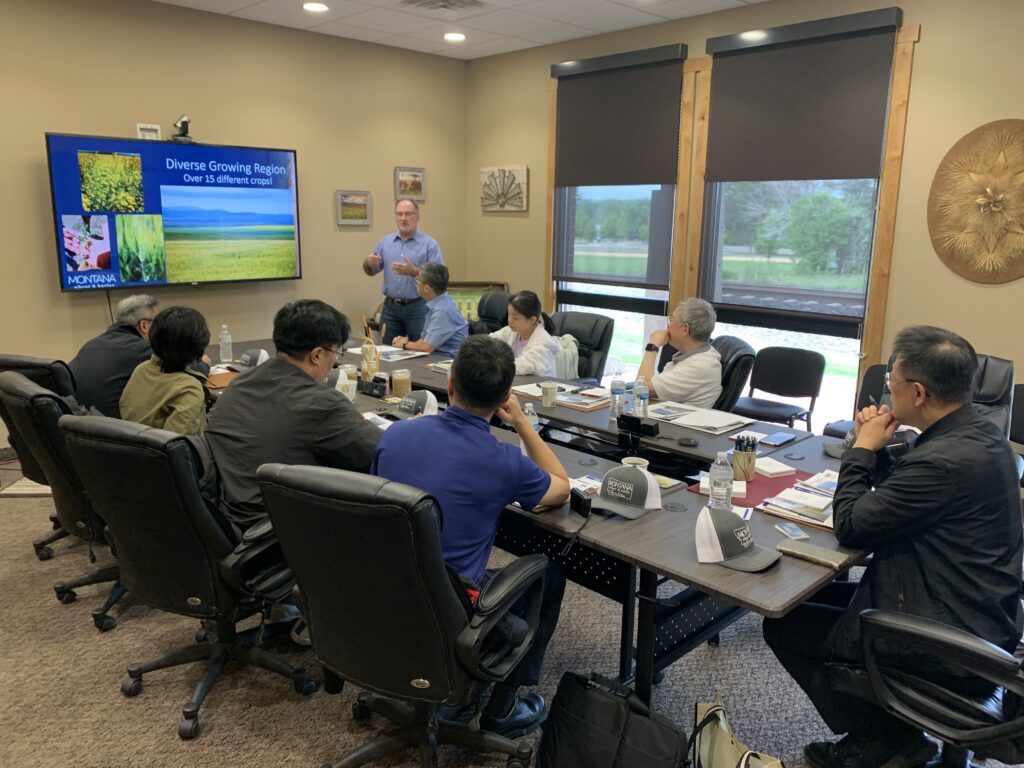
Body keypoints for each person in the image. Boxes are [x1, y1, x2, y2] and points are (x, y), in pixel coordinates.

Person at [763, 325, 1023, 768]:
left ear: (918, 392)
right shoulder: (977, 434)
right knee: (810, 598)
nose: (887, 392)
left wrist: (862, 451)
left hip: (946, 641)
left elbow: (851, 524)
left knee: (783, 623)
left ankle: (885, 741)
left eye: (891, 384)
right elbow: (908, 495)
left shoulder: (944, 460)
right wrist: (878, 452)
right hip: (977, 610)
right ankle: (892, 733)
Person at [371, 336, 570, 738]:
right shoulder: (504, 462)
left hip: (382, 592)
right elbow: (562, 486)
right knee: (547, 573)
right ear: (504, 399)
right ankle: (503, 706)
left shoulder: (395, 436)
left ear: (449, 385)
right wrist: (522, 423)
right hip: (449, 608)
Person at [205, 299, 382, 531]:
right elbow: (383, 454)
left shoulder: (239, 384)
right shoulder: (322, 404)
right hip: (284, 532)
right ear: (317, 355)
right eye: (336, 352)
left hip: (229, 518)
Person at [119, 306, 210, 436]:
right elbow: (178, 446)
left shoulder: (141, 370)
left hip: (134, 448)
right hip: (162, 453)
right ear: (199, 345)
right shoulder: (189, 388)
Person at [362, 199, 443, 345]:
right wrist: (368, 264)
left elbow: (438, 278)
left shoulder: (430, 244)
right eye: (399, 214)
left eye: (408, 214)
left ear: (417, 217)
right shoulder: (385, 243)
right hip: (390, 308)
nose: (403, 218)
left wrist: (414, 271)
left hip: (418, 307)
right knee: (387, 352)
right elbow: (371, 271)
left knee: (420, 350)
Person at [69, 294, 158, 417]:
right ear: (144, 325)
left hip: (81, 426)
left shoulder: (89, 345)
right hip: (117, 430)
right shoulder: (144, 350)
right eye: (156, 323)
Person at [636, 297, 722, 407]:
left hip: (674, 423)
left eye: (671, 320)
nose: (668, 326)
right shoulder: (697, 354)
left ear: (685, 329)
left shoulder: (700, 366)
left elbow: (640, 390)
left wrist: (652, 346)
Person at [391, 262, 467, 357]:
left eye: (417, 281)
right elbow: (424, 341)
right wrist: (405, 341)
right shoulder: (439, 303)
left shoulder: (442, 310)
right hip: (436, 358)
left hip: (446, 362)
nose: (416, 283)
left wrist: (404, 344)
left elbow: (426, 347)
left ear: (426, 288)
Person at [489, 290, 561, 377]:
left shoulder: (543, 344)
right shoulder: (512, 331)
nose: (509, 320)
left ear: (532, 320)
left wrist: (491, 364)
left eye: (515, 318)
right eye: (509, 314)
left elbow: (518, 366)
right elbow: (489, 341)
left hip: (536, 388)